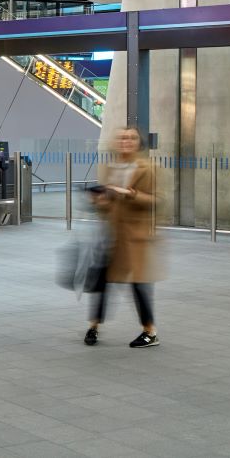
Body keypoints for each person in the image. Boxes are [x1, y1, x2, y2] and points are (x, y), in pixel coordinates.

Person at [83, 127, 159, 349]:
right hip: (111, 234)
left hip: (134, 236)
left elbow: (157, 200)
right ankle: (94, 326)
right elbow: (106, 202)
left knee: (138, 284)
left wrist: (131, 194)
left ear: (139, 143)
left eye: (132, 138)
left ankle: (150, 331)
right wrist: (100, 202)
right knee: (101, 281)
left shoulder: (147, 168)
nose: (126, 141)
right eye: (122, 137)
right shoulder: (109, 167)